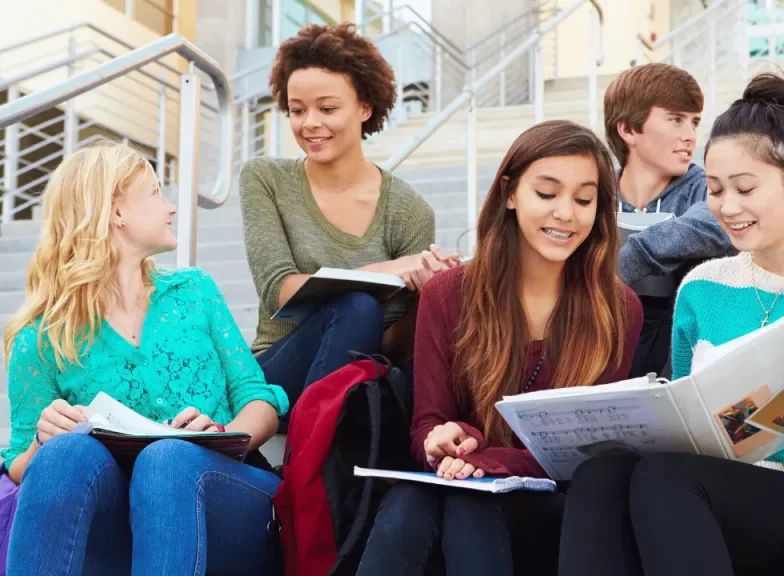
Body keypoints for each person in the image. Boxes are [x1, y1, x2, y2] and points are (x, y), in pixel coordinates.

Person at [559, 74, 784, 576]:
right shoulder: (703, 287)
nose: (727, 207)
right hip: (713, 495)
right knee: (600, 476)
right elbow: (691, 426)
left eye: (745, 188)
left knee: (669, 480)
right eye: (714, 190)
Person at [355, 121, 644, 576]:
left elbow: (586, 454)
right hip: (461, 491)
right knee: (417, 497)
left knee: (459, 499)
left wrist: (488, 460)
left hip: (556, 508)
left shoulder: (618, 309)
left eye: (584, 200)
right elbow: (427, 422)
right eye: (546, 193)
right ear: (510, 193)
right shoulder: (448, 294)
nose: (565, 213)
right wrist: (440, 441)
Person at [2, 143, 289, 574]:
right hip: (120, 522)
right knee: (65, 453)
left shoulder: (194, 291)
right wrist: (44, 438)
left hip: (227, 500)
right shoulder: (40, 340)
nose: (170, 206)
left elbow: (259, 398)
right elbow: (20, 465)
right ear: (117, 211)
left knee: (167, 458)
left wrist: (221, 435)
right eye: (155, 192)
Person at [241, 23, 456, 413]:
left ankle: (321, 440)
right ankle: (313, 442)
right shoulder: (265, 179)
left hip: (355, 381)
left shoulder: (409, 211)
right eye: (297, 110)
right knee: (358, 305)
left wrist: (428, 296)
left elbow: (390, 344)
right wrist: (389, 270)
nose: (309, 123)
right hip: (276, 374)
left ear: (364, 107)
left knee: (363, 313)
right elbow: (278, 291)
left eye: (327, 109)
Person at [604, 63, 734, 377]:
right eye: (675, 120)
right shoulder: (594, 193)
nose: (690, 136)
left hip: (677, 356)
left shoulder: (705, 188)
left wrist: (625, 263)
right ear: (628, 129)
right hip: (602, 343)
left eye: (694, 122)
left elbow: (716, 219)